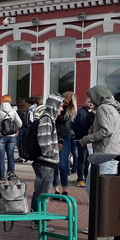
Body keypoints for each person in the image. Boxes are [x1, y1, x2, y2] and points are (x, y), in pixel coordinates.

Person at [78, 86, 120, 196]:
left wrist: (86, 139)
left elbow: (107, 130)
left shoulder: (103, 108)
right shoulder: (111, 107)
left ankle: (103, 211)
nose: (90, 100)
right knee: (96, 187)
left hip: (106, 154)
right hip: (108, 153)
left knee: (98, 189)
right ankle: (104, 210)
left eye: (91, 97)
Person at [30, 94, 60, 223]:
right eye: (60, 107)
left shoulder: (50, 119)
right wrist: (52, 153)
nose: (62, 109)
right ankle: (38, 220)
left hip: (47, 162)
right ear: (54, 106)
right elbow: (43, 140)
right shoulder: (46, 119)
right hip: (44, 162)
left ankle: (38, 217)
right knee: (42, 192)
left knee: (42, 191)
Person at [0, 94, 21, 181]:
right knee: (10, 156)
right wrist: (15, 130)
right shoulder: (13, 111)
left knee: (1, 156)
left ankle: (1, 176)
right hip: (11, 136)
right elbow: (20, 123)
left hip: (0, 136)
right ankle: (11, 174)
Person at [52, 92, 77, 195]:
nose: (65, 104)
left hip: (66, 137)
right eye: (65, 101)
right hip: (54, 136)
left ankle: (65, 188)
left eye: (68, 102)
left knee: (63, 164)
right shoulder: (56, 107)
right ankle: (56, 188)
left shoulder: (69, 111)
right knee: (55, 164)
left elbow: (66, 122)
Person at [69, 99, 90, 187]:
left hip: (91, 140)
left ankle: (87, 178)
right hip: (81, 140)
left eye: (92, 102)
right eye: (89, 102)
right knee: (82, 160)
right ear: (85, 102)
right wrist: (81, 137)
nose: (91, 104)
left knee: (88, 160)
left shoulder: (95, 112)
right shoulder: (80, 112)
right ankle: (80, 179)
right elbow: (74, 125)